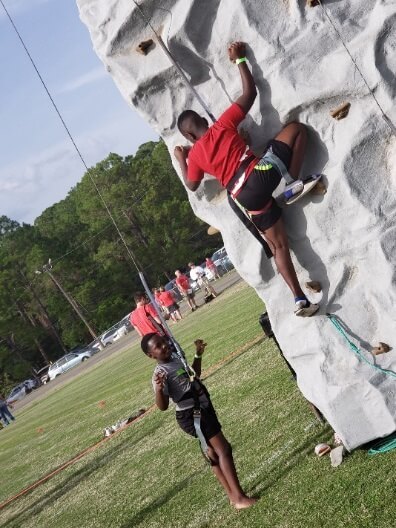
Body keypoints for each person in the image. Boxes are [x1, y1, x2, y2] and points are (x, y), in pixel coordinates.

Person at [174, 41, 319, 317]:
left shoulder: (196, 157)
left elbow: (192, 185)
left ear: (190, 137)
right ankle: (291, 184)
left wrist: (184, 160)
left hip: (243, 197)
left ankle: (299, 298)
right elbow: (250, 93)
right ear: (204, 120)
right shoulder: (223, 123)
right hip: (257, 175)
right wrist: (240, 60)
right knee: (296, 130)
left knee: (278, 246)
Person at [141, 333, 257, 510]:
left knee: (212, 453)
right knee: (223, 449)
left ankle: (233, 497)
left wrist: (198, 354)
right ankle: (239, 498)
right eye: (158, 346)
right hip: (191, 414)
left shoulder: (175, 358)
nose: (164, 346)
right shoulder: (160, 373)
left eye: (163, 342)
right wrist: (158, 388)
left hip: (202, 406)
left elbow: (194, 375)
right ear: (151, 356)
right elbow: (162, 406)